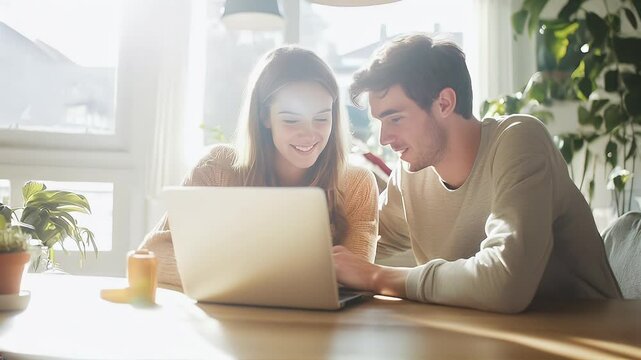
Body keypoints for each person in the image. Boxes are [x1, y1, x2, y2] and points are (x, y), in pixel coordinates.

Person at [332, 34, 622, 313]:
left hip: (587, 334)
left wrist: (376, 277)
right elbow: (357, 244)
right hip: (484, 335)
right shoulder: (411, 174)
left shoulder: (519, 141)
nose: (384, 138)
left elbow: (505, 282)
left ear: (444, 103)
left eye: (395, 118)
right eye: (380, 121)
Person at [141, 46, 379, 289]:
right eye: (291, 119)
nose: (309, 134)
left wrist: (226, 270)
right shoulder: (217, 167)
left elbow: (356, 277)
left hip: (317, 323)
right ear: (265, 116)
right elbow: (152, 254)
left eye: (321, 118)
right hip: (228, 319)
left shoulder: (356, 183)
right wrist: (260, 277)